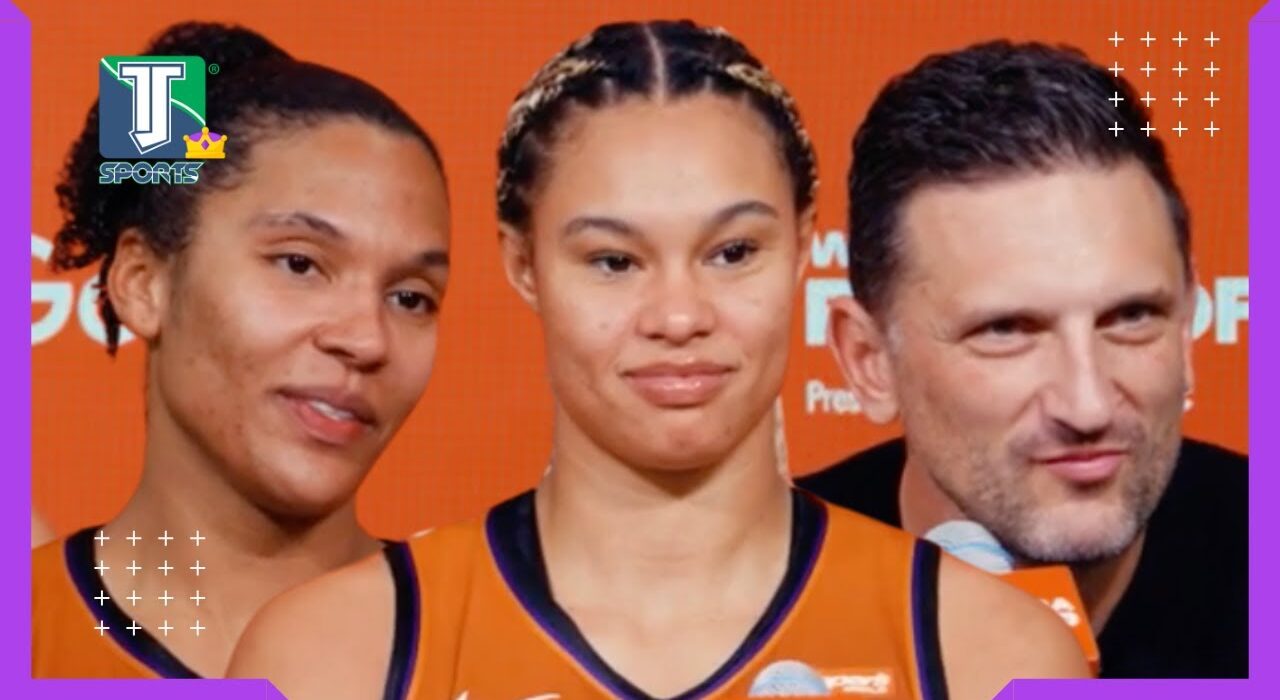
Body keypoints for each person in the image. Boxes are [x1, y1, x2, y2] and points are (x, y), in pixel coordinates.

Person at [229, 21, 1086, 700]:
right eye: (614, 261)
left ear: (801, 247)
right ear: (523, 263)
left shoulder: (991, 655)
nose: (679, 317)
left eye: (733, 253)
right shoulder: (331, 655)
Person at [798, 40, 1247, 679]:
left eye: (1130, 317)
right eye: (1007, 330)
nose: (1088, 406)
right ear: (869, 360)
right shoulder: (742, 601)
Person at [32, 22, 451, 678]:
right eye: (299, 264)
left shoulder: (494, 646)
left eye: (410, 297)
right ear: (143, 283)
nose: (367, 339)